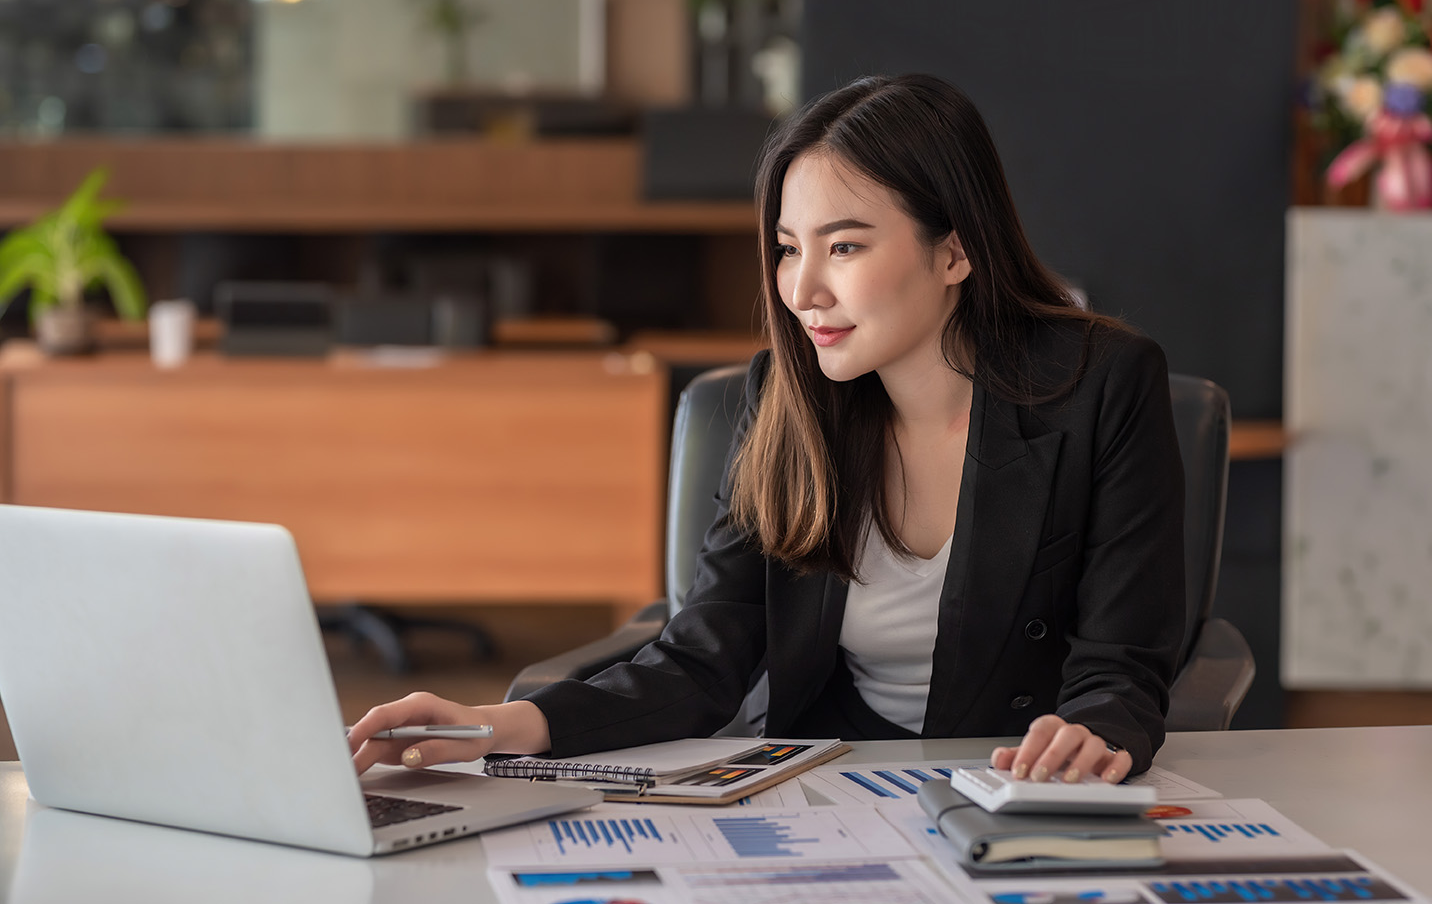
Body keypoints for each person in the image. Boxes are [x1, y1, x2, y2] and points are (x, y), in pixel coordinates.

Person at [349, 73, 1186, 784]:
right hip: (825, 783)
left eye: (845, 248)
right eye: (788, 249)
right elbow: (704, 658)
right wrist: (495, 725)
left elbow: (1120, 664)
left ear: (955, 254)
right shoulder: (786, 397)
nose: (803, 290)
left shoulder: (1101, 384)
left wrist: (1095, 736)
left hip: (1006, 788)